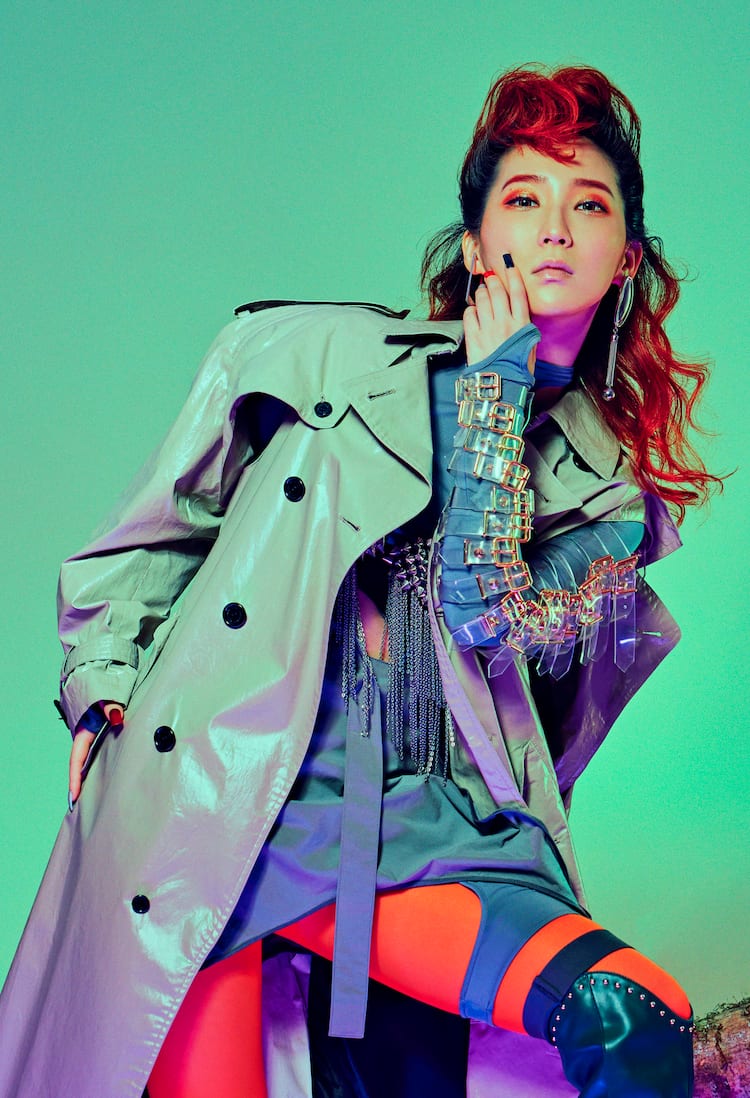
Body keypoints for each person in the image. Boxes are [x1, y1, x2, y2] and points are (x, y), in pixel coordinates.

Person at [0, 64, 722, 1098]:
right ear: (476, 245)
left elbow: (489, 617)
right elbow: (156, 530)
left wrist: (496, 396)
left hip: (440, 824)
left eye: (590, 205)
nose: (556, 229)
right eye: (525, 199)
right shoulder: (314, 354)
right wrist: (100, 680)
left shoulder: (610, 508)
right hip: (230, 795)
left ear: (626, 259)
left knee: (628, 1020)